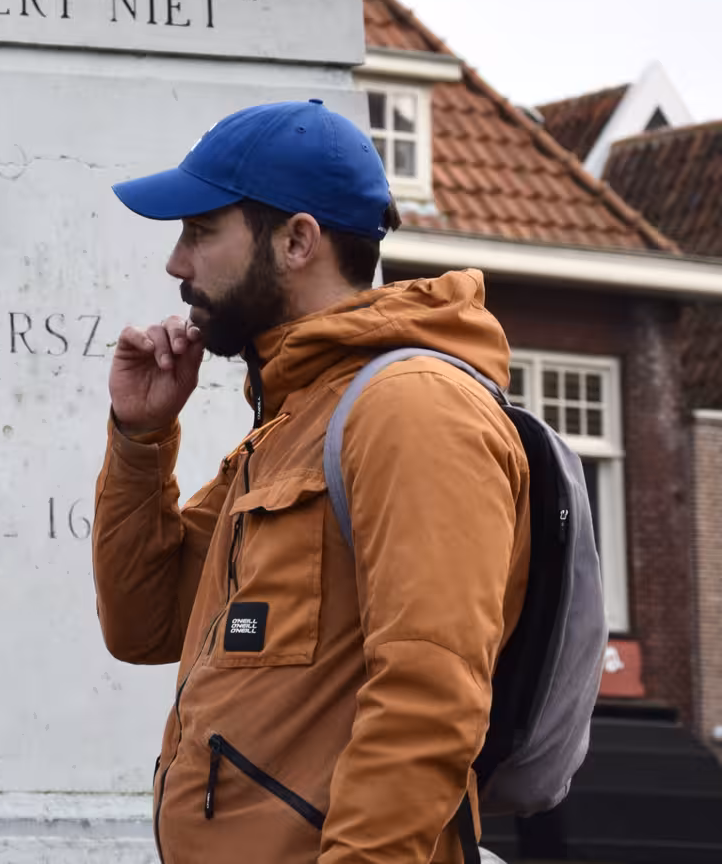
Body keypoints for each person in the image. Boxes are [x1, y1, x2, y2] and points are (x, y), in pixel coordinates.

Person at [93, 98, 530, 864]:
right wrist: (140, 437)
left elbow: (431, 700)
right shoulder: (292, 425)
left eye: (201, 231)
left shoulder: (411, 409)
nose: (176, 264)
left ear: (297, 241)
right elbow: (144, 624)